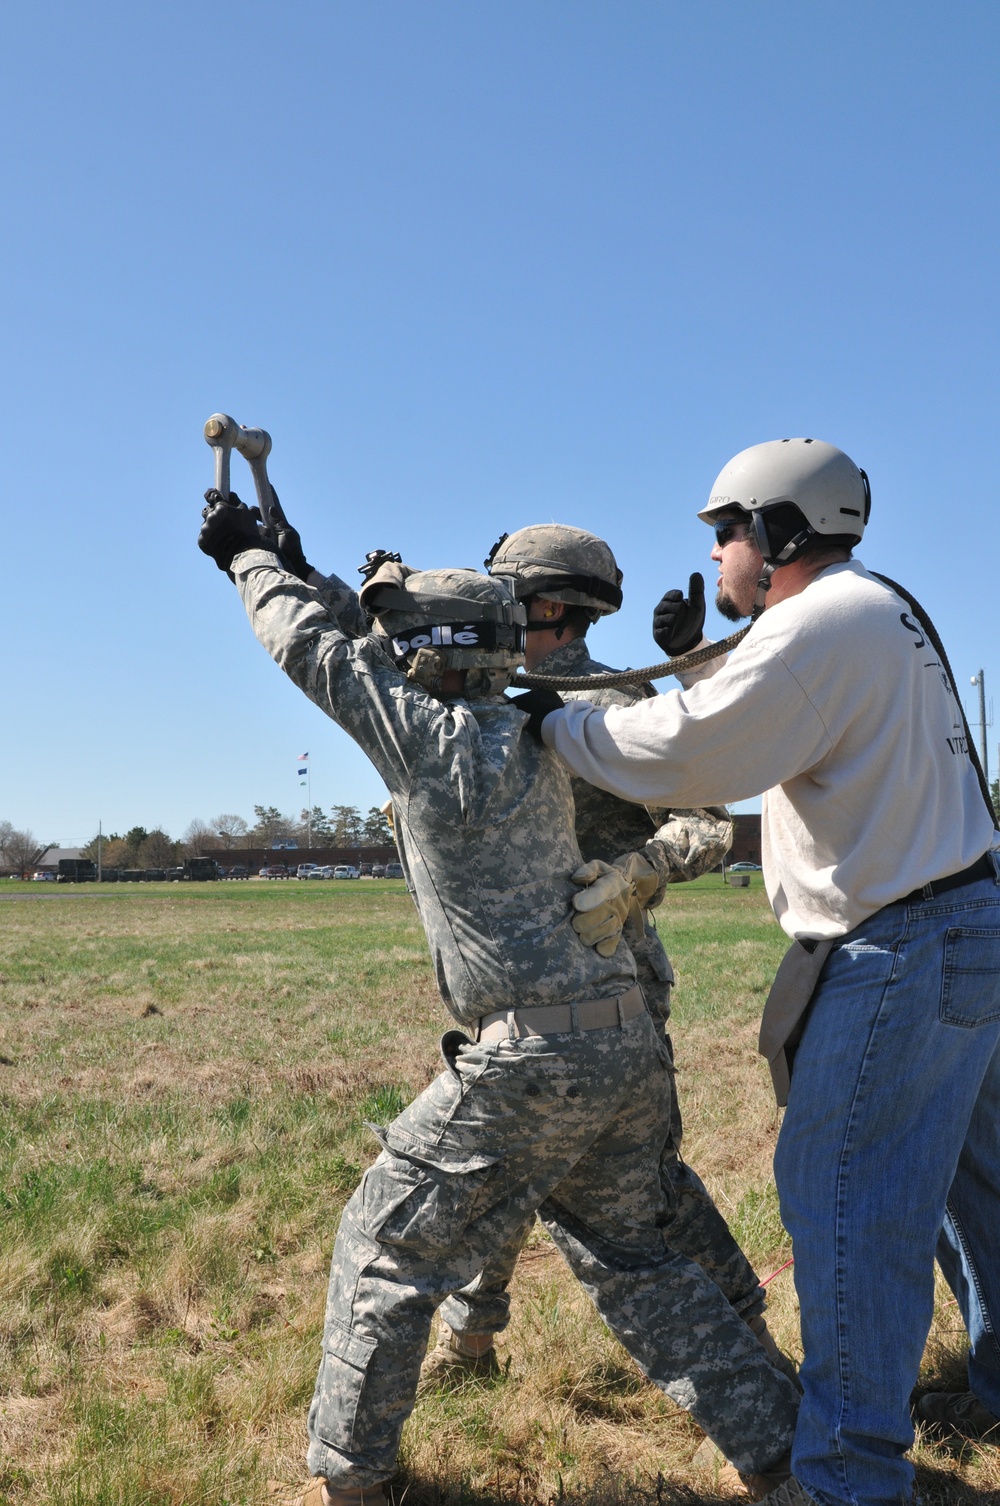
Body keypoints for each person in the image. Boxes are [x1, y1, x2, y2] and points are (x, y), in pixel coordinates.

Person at [197, 492, 801, 1506]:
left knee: (386, 1245)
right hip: (614, 1034)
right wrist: (306, 563)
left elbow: (329, 658)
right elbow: (390, 653)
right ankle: (791, 1459)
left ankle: (351, 1482)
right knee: (638, 1258)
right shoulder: (546, 721)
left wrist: (250, 562)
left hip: (533, 1050)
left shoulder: (455, 730)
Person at [533, 438, 1000, 1506]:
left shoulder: (812, 628)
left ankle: (845, 1478)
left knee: (847, 1201)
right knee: (971, 1183)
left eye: (726, 529)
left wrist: (556, 724)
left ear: (780, 532)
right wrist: (703, 658)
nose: (715, 551)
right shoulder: (877, 608)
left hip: (900, 945)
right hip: (965, 926)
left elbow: (693, 756)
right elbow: (785, 716)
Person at [419, 524, 791, 1384]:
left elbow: (710, 823)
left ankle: (747, 1336)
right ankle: (469, 1345)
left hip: (611, 982)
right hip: (510, 986)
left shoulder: (618, 707)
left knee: (643, 1185)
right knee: (498, 1168)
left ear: (551, 606)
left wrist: (636, 874)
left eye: (507, 598)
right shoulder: (480, 700)